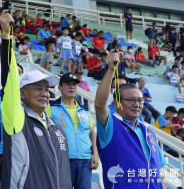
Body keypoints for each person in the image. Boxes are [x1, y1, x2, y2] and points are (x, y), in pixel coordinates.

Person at [0, 9, 72, 189]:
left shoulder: (57, 129)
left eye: (46, 89)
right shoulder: (17, 119)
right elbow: (9, 76)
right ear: (22, 93)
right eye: (38, 88)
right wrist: (6, 35)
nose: (45, 93)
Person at [95, 50, 167, 189]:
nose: (137, 104)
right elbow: (99, 104)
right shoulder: (110, 126)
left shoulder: (148, 131)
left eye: (140, 101)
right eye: (131, 100)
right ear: (116, 104)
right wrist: (111, 69)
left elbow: (160, 164)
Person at [47, 73, 99, 189]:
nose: (72, 87)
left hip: (85, 160)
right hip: (62, 160)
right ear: (59, 88)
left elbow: (91, 132)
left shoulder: (84, 110)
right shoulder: (50, 107)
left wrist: (95, 154)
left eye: (74, 85)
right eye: (68, 84)